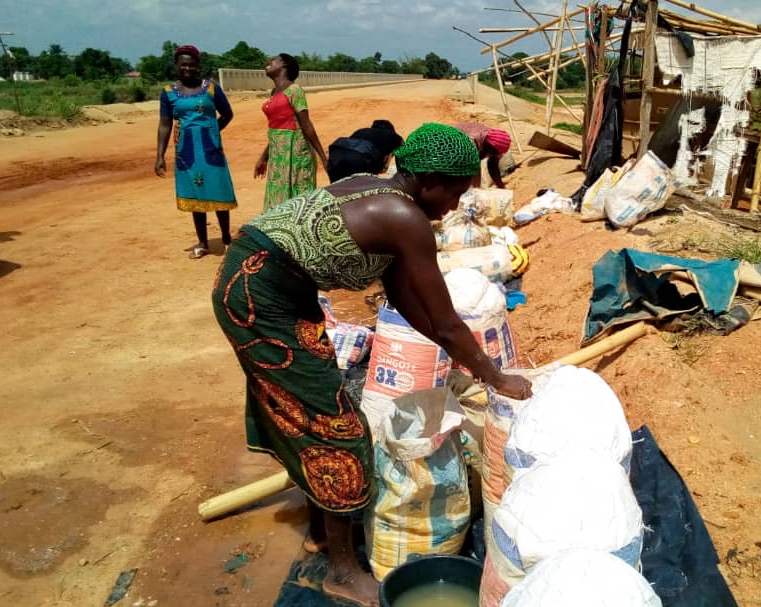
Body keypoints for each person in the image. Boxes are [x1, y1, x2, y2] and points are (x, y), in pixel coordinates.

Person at [212, 123, 532, 607]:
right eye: (455, 191)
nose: (455, 204)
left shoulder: (388, 195)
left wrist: (461, 360)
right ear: (427, 181)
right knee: (338, 429)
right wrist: (493, 375)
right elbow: (446, 322)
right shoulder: (406, 218)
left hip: (277, 288)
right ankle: (340, 570)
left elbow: (408, 302)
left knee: (312, 409)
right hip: (260, 299)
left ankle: (323, 525)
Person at [155, 45, 237, 259]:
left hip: (211, 149)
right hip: (186, 151)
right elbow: (164, 124)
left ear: (197, 66)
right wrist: (160, 156)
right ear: (177, 66)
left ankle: (227, 238)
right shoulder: (168, 92)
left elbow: (228, 113)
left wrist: (213, 131)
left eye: (191, 64)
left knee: (218, 190)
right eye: (184, 64)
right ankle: (203, 241)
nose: (188, 68)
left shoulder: (211, 88)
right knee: (195, 193)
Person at [254, 54, 328, 209]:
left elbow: (306, 124)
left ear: (285, 66)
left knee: (298, 196)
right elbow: (277, 128)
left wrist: (323, 158)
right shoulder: (274, 92)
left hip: (296, 152)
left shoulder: (295, 90)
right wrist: (263, 158)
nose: (268, 62)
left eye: (274, 60)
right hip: (278, 153)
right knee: (278, 195)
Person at [325, 119, 404, 182]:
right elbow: (404, 153)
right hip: (361, 158)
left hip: (336, 154)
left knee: (337, 188)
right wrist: (401, 173)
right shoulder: (395, 137)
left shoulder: (361, 131)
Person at [453, 121, 511, 188]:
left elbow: (493, 165)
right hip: (451, 146)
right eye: (493, 153)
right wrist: (476, 189)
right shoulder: (470, 145)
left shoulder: (492, 137)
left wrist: (501, 186)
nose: (491, 155)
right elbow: (472, 169)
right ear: (489, 147)